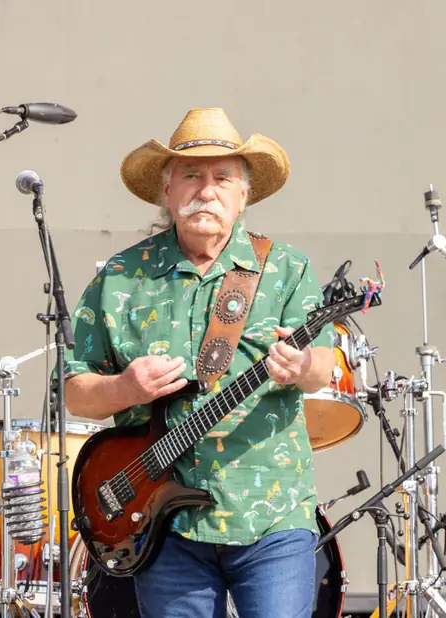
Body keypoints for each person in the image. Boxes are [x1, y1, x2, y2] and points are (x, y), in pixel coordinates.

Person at [62, 108, 337, 618]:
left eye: (222, 178)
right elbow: (72, 389)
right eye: (191, 176)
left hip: (271, 517)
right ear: (166, 192)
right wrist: (123, 388)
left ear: (243, 194)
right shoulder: (122, 276)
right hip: (162, 526)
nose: (206, 190)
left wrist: (304, 368)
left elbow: (326, 364)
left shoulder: (286, 269)